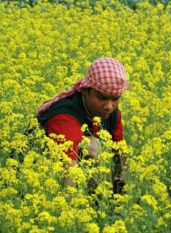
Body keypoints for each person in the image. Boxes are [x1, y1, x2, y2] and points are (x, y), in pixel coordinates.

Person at [36, 57, 130, 193]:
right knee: (92, 147)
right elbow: (68, 173)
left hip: (79, 174)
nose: (109, 106)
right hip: (40, 175)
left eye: (115, 99)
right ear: (85, 90)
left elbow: (120, 153)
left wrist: (124, 191)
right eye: (101, 98)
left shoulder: (112, 113)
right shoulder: (65, 118)